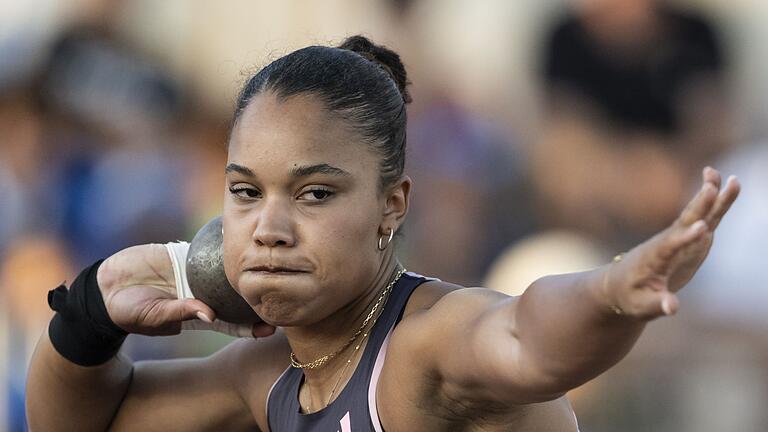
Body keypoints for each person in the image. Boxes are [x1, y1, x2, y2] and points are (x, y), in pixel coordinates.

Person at [26, 35, 740, 431]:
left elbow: (529, 339)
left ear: (391, 207)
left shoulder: (425, 343)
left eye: (314, 193)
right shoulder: (271, 376)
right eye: (245, 192)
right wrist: (91, 309)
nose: (269, 228)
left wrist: (616, 290)